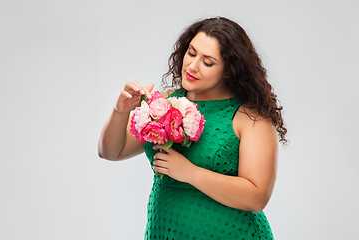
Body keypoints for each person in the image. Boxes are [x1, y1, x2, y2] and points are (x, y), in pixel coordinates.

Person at [98, 16, 287, 240]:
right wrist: (121, 111)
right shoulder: (164, 103)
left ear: (229, 71)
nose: (192, 66)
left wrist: (190, 173)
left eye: (208, 62)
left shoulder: (250, 118)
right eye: (191, 52)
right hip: (165, 231)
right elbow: (110, 152)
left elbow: (257, 197)